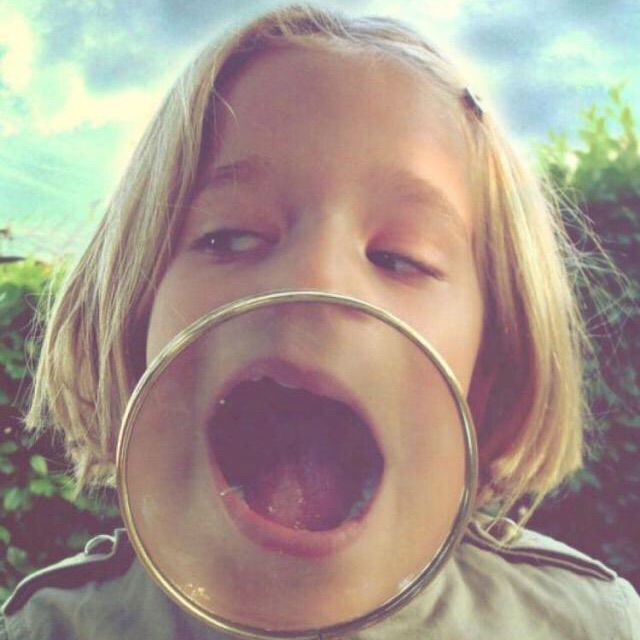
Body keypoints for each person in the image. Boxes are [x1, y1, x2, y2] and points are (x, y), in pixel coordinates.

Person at [2, 4, 639, 639]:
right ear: (134, 321)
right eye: (230, 236)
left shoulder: (584, 625)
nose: (316, 282)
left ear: (490, 371)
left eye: (400, 258)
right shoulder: (50, 629)